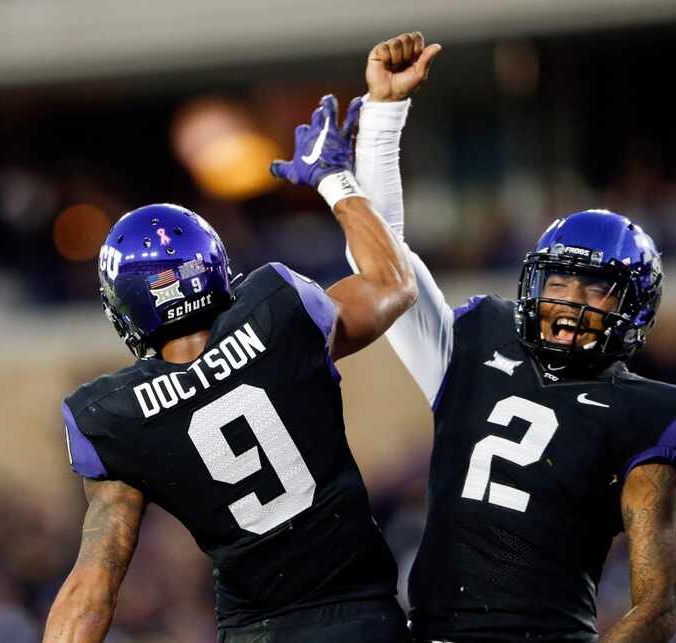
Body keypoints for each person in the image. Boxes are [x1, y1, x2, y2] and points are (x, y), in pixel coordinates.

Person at [351, 32, 676, 642]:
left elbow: (656, 606)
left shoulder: (648, 413)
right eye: (559, 283)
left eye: (595, 289)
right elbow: (384, 264)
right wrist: (385, 116)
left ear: (635, 307)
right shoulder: (471, 345)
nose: (571, 304)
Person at [43, 95, 417, 643]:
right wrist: (335, 179)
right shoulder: (277, 308)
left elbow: (93, 584)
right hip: (363, 618)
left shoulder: (113, 415)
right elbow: (393, 284)